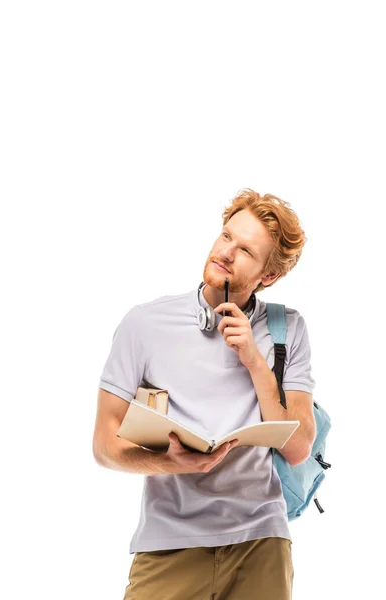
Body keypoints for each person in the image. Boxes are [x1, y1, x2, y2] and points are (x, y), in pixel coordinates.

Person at [92, 188, 317, 600]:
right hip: (169, 544)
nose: (226, 252)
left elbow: (300, 446)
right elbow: (104, 445)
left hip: (260, 544)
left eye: (246, 250)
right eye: (227, 235)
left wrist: (253, 359)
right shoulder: (145, 325)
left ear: (268, 277)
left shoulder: (289, 330)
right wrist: (167, 463)